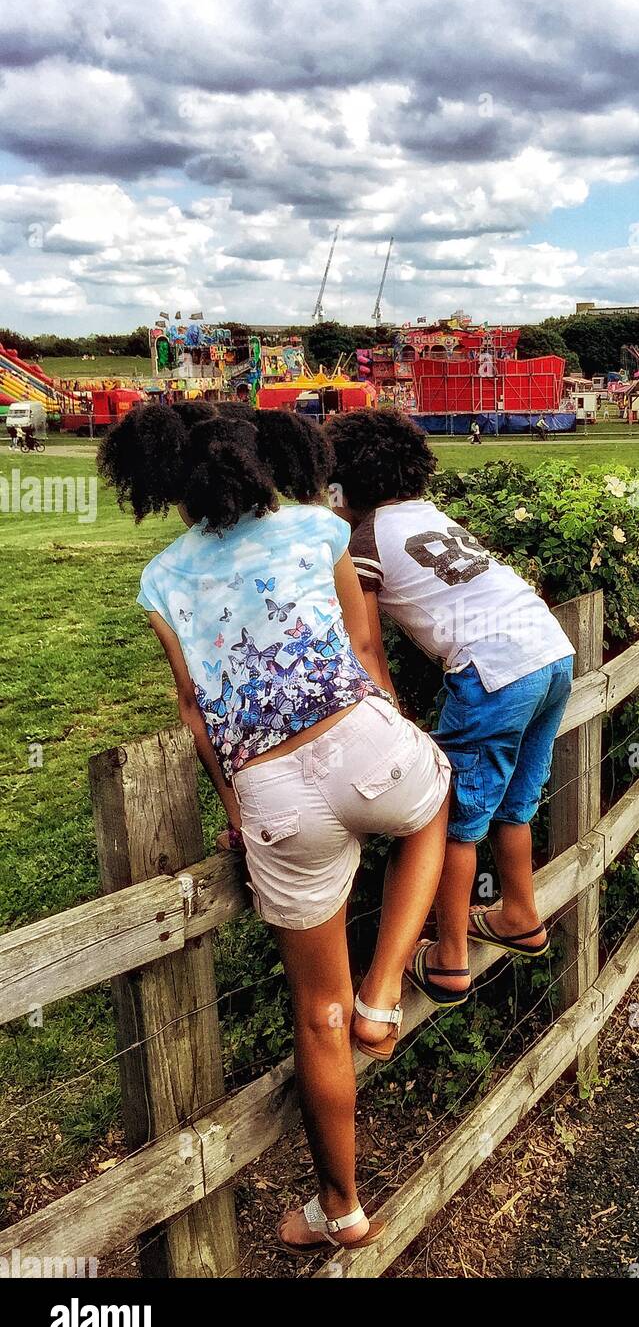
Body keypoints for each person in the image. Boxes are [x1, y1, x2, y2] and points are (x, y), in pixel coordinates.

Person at [97, 404, 450, 1255]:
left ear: (166, 485)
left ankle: (341, 1209)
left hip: (270, 794)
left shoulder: (161, 581)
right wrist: (395, 729)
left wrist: (236, 815)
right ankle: (385, 993)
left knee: (312, 1013)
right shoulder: (321, 528)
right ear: (270, 461)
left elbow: (195, 710)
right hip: (363, 741)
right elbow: (364, 650)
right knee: (435, 804)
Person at [325, 409, 575, 1008]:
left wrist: (386, 712)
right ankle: (518, 912)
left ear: (342, 485)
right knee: (515, 802)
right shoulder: (431, 517)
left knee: (457, 818)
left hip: (491, 676)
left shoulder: (362, 541)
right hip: (550, 654)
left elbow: (363, 643)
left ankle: (448, 958)